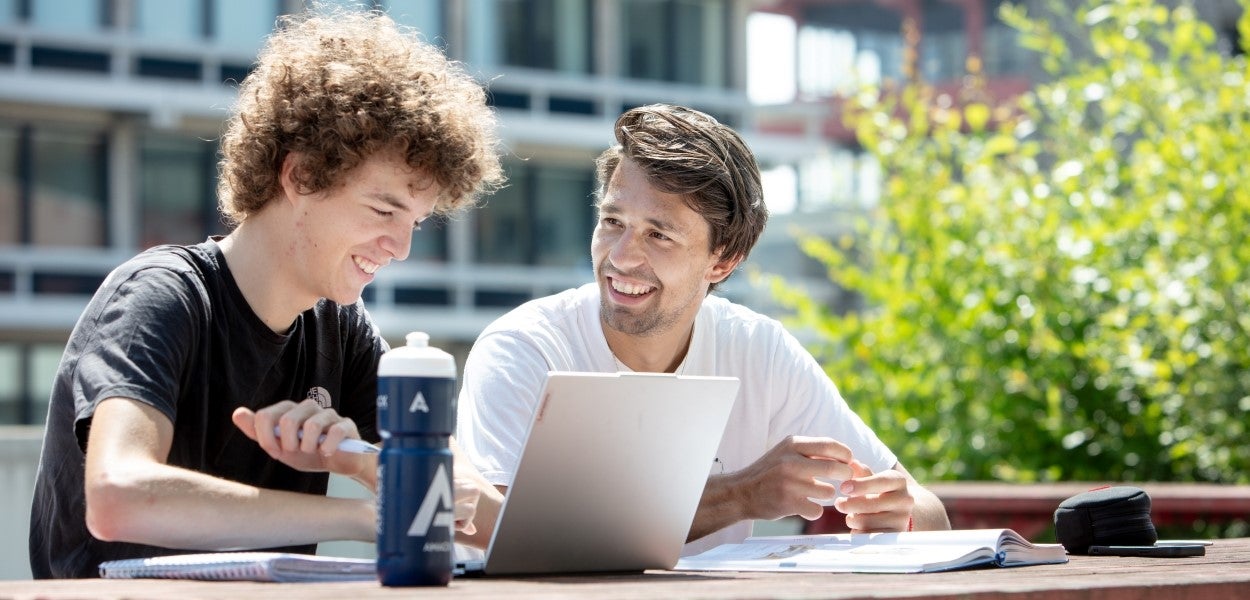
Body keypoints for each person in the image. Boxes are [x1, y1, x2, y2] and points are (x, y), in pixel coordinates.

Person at [28, 8, 504, 579]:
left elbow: (475, 513)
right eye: (383, 210)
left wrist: (359, 461)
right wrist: (365, 516)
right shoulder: (162, 297)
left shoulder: (343, 331)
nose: (400, 247)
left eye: (417, 223)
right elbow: (119, 496)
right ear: (300, 176)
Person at [455, 104, 949, 555]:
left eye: (659, 234)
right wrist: (739, 495)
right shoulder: (523, 348)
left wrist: (898, 514)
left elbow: (930, 514)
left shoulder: (759, 351)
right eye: (612, 221)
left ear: (723, 260)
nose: (622, 257)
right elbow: (506, 533)